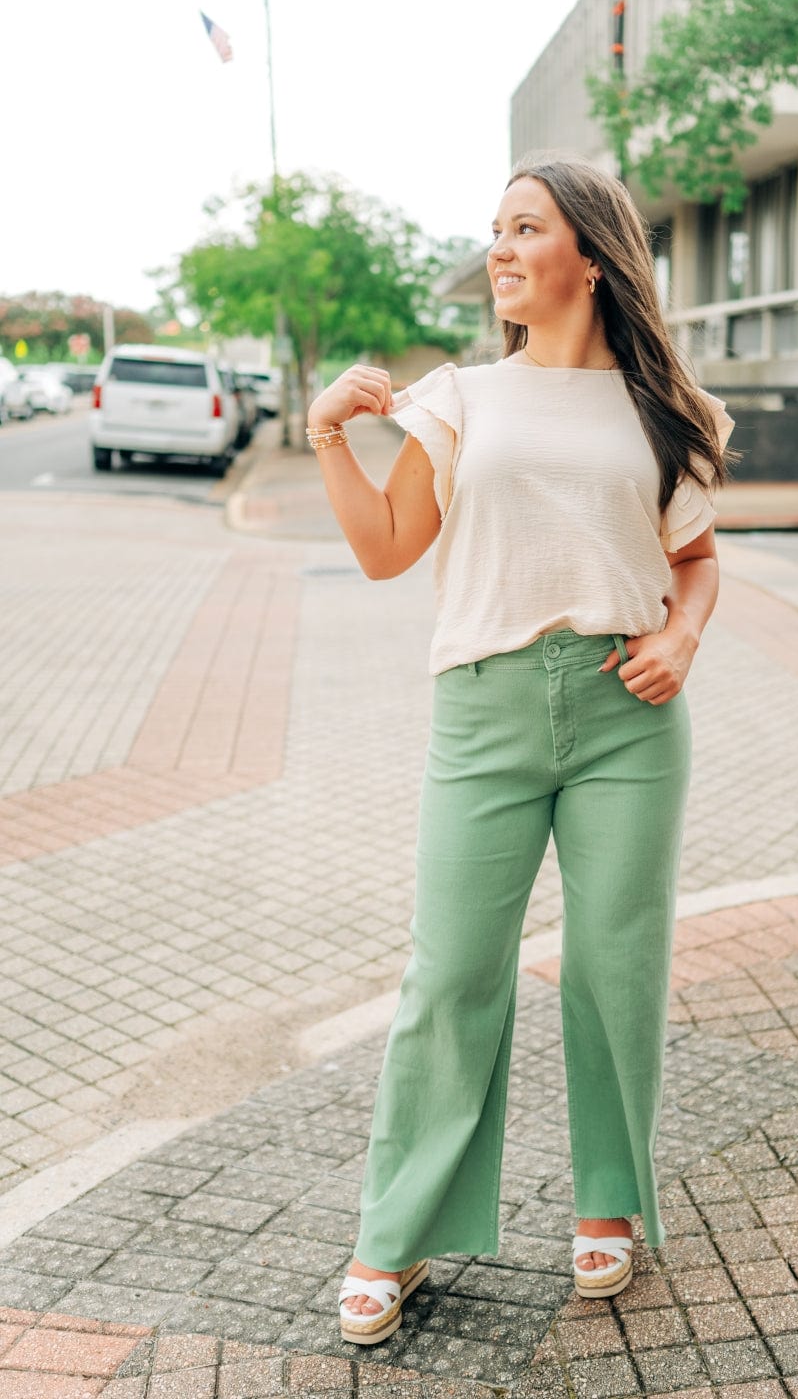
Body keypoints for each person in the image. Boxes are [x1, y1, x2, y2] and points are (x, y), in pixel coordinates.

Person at [306, 155, 734, 1345]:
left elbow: (692, 558)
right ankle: (391, 1235)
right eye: (492, 230)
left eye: (524, 228)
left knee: (612, 964)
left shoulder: (663, 407)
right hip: (485, 710)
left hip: (626, 713)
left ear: (587, 259)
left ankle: (607, 1198)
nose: (499, 248)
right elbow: (391, 549)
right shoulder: (458, 398)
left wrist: (683, 640)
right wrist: (328, 438)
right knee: (449, 972)